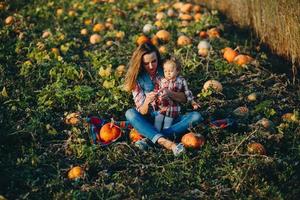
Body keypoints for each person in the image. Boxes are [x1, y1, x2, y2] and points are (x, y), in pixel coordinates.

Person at [124, 42, 203, 156]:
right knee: (130, 113)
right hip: (150, 119)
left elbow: (184, 98)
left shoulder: (167, 69)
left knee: (196, 116)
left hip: (170, 117)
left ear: (158, 58)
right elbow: (142, 111)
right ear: (141, 63)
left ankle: (152, 137)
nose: (151, 66)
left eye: (154, 61)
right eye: (146, 63)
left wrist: (169, 93)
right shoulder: (138, 79)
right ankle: (168, 143)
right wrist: (147, 101)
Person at [154, 58, 200, 132]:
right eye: (165, 71)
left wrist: (192, 102)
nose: (168, 73)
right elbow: (156, 90)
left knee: (167, 124)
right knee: (158, 121)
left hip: (173, 109)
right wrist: (156, 98)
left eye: (171, 71)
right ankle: (155, 134)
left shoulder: (181, 80)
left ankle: (165, 136)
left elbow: (187, 92)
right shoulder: (161, 80)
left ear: (177, 71)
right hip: (162, 107)